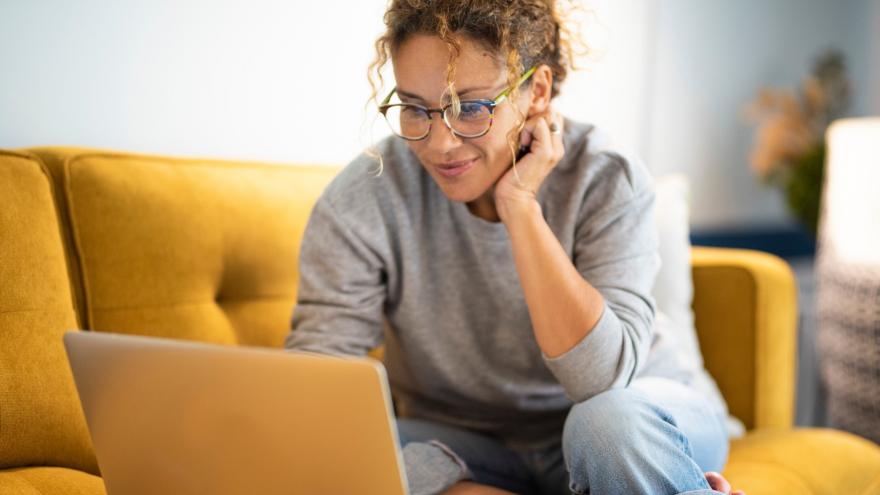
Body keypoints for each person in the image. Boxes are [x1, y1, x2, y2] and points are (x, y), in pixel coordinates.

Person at [285, 1, 744, 494]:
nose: (440, 144)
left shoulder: (605, 176)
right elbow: (319, 384)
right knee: (340, 448)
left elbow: (601, 381)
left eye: (471, 107)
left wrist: (520, 206)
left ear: (537, 91)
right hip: (467, 442)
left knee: (606, 426)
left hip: (633, 416)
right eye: (416, 109)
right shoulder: (363, 198)